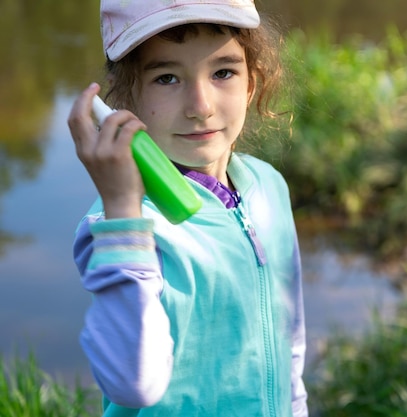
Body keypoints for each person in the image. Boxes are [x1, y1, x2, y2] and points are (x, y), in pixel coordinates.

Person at [67, 1, 308, 416]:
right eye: (167, 77)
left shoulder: (268, 186)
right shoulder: (121, 226)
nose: (201, 106)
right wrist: (123, 208)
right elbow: (133, 384)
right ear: (127, 100)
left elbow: (290, 341)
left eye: (223, 72)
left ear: (253, 82)